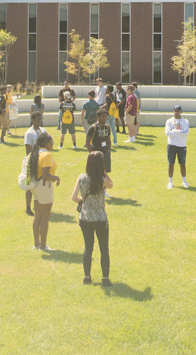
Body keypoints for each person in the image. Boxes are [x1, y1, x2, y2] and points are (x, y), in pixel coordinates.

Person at [71, 151, 113, 286]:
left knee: (88, 247)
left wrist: (82, 200)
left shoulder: (81, 178)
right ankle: (105, 279)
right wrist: (104, 172)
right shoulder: (103, 180)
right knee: (104, 248)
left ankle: (87, 277)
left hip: (85, 218)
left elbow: (73, 197)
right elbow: (111, 184)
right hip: (100, 218)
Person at [28, 132, 59, 251]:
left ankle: (36, 244)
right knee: (45, 217)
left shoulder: (34, 153)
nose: (52, 144)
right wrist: (56, 178)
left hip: (35, 186)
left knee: (37, 216)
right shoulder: (47, 155)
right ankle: (43, 246)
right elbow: (46, 175)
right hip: (44, 186)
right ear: (46, 143)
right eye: (52, 142)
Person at [85, 108, 113, 196]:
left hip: (105, 152)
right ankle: (94, 189)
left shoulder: (107, 127)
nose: (105, 119)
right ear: (98, 117)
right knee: (96, 172)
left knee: (105, 172)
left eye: (106, 117)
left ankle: (104, 190)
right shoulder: (93, 128)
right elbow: (87, 142)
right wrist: (91, 154)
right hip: (96, 154)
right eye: (103, 117)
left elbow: (108, 139)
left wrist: (109, 150)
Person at [24, 113, 45, 216]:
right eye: (37, 119)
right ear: (32, 119)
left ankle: (39, 205)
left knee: (40, 184)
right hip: (31, 162)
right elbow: (28, 149)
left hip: (42, 161)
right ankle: (28, 208)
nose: (39, 121)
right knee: (30, 185)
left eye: (40, 119)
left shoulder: (43, 131)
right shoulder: (29, 133)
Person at [165, 105, 190, 189]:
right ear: (173, 111)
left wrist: (174, 132)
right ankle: (170, 182)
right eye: (175, 110)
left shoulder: (185, 121)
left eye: (178, 111)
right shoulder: (169, 121)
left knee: (182, 164)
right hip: (171, 144)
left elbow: (186, 133)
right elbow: (167, 133)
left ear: (181, 112)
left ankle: (184, 181)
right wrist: (179, 132)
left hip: (182, 145)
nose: (177, 112)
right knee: (171, 164)